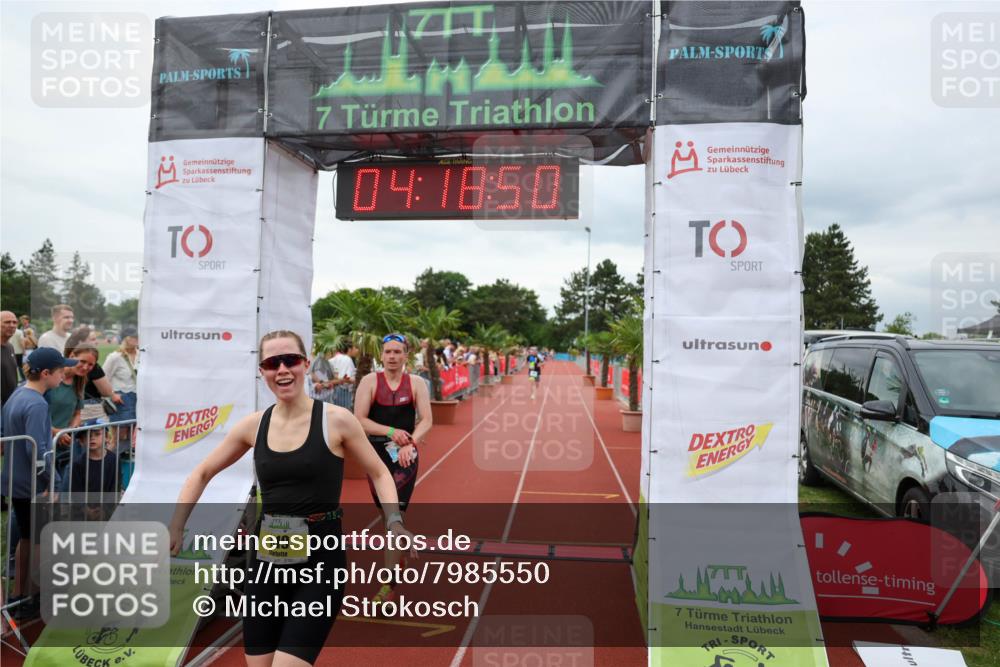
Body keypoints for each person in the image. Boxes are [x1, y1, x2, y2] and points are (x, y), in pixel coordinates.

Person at [170, 330, 414, 666]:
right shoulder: (253, 426)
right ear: (263, 371)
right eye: (272, 363)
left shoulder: (337, 421)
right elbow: (200, 473)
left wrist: (394, 520)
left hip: (320, 562)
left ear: (306, 363)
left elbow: (379, 472)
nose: (282, 369)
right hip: (266, 564)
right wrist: (176, 525)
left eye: (290, 360)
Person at [353, 333, 432, 604]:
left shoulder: (417, 383)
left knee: (392, 515)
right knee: (385, 512)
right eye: (388, 352)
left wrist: (410, 440)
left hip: (405, 456)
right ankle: (397, 558)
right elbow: (359, 420)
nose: (392, 357)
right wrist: (390, 431)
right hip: (375, 456)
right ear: (381, 355)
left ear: (406, 355)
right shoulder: (369, 382)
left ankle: (387, 585)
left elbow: (427, 420)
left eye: (397, 352)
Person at [1, 347, 75, 618]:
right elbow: (39, 451)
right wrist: (52, 483)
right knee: (38, 540)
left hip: (16, 481)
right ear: (46, 374)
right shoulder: (36, 403)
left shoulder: (18, 394)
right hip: (32, 484)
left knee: (28, 537)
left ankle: (19, 593)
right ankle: (29, 595)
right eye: (61, 372)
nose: (63, 375)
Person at [46, 345, 99, 475]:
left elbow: (77, 413)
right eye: (82, 361)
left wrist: (70, 430)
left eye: (91, 365)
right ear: (71, 356)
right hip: (43, 439)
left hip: (63, 442)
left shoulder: (80, 381)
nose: (86, 367)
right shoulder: (51, 378)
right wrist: (56, 432)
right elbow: (35, 414)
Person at [65, 326, 124, 420]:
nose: (96, 342)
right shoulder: (91, 367)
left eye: (90, 364)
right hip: (90, 410)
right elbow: (106, 391)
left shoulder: (65, 360)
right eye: (92, 339)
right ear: (81, 342)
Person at [102, 326, 139, 424]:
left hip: (139, 399)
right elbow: (103, 378)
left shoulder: (142, 355)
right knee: (120, 433)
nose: (137, 338)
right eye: (134, 336)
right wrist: (112, 394)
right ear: (126, 339)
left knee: (134, 432)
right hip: (122, 399)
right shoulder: (115, 357)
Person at [329, 340, 357, 408]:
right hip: (344, 391)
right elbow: (347, 378)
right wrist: (354, 380)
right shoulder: (347, 359)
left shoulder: (334, 358)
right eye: (355, 348)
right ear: (349, 349)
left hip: (334, 390)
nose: (356, 350)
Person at [1, 311, 19, 407]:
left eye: (14, 322)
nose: (12, 325)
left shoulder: (10, 347)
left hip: (10, 403)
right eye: (7, 322)